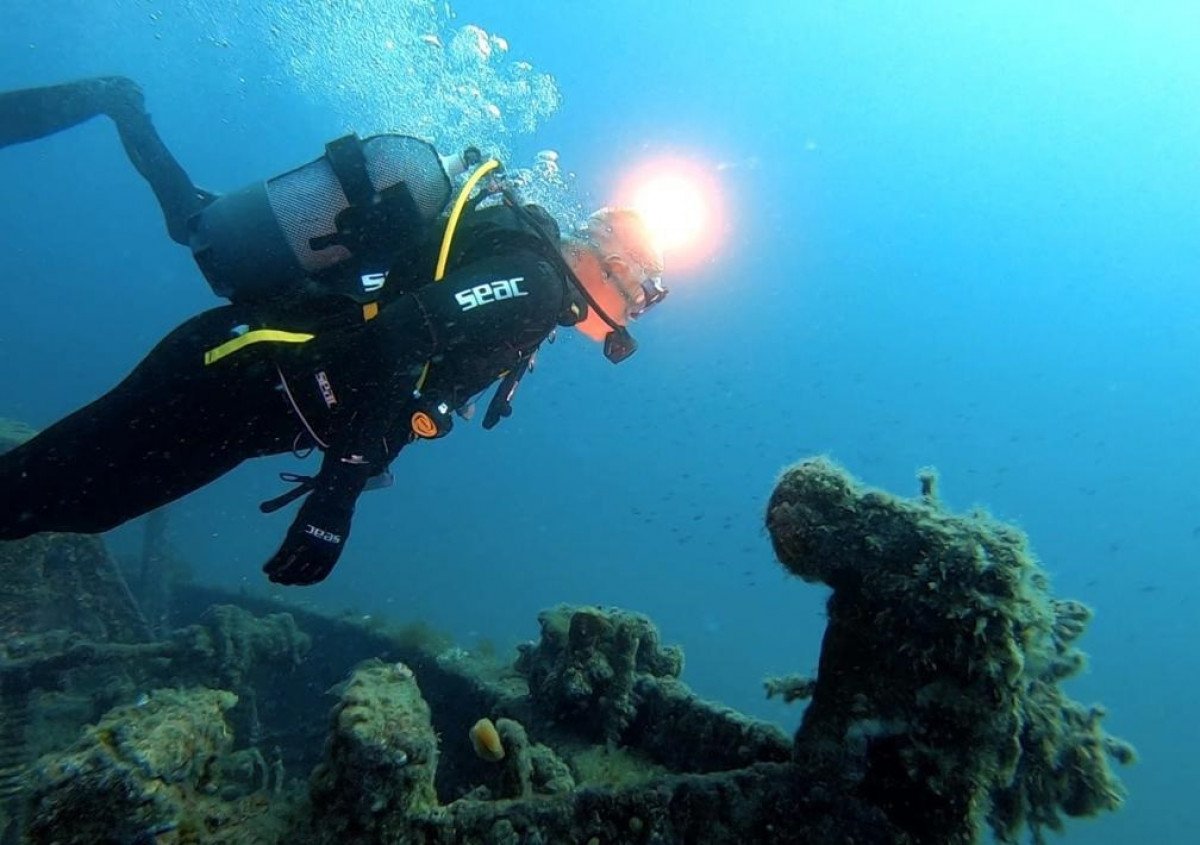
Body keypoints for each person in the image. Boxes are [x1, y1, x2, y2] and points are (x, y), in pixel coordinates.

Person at [0, 77, 668, 585]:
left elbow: (407, 351)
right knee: (42, 488)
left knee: (72, 498)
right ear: (614, 267)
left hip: (253, 386)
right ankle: (115, 100)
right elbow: (401, 335)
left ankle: (118, 102)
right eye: (642, 295)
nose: (635, 312)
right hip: (244, 373)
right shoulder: (536, 283)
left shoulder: (529, 284)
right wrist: (333, 502)